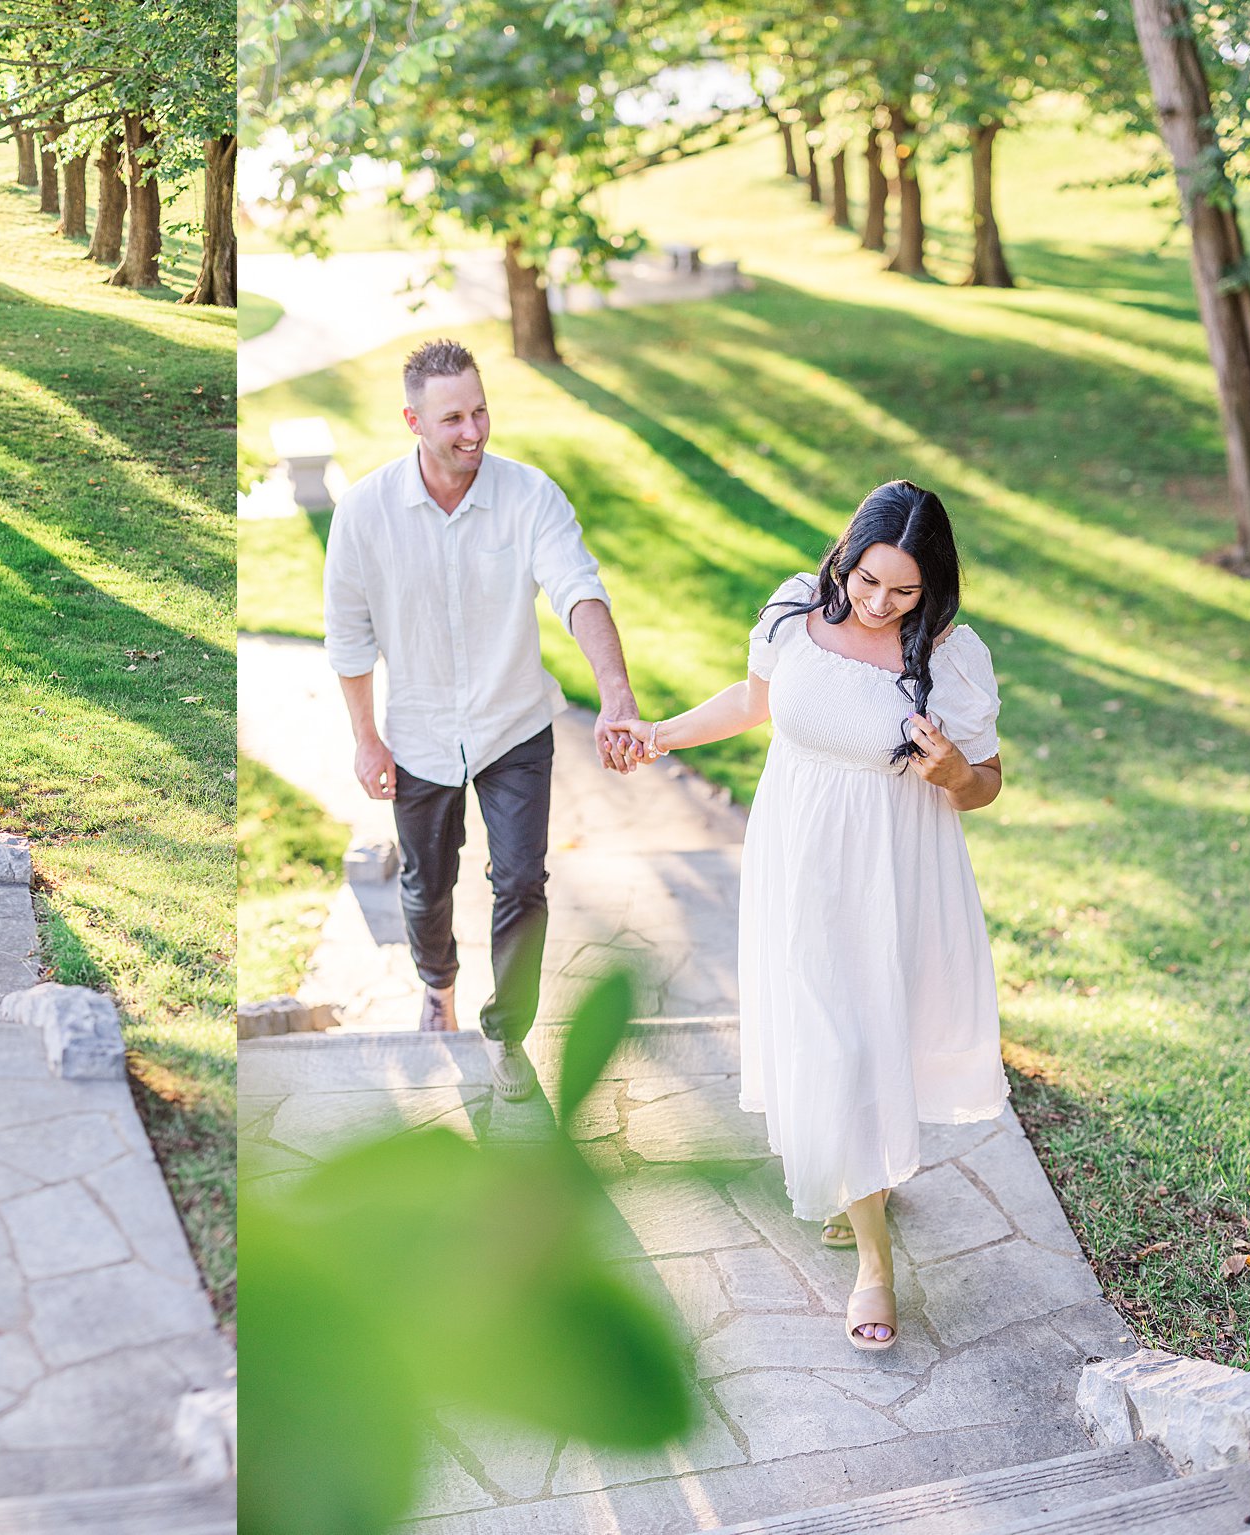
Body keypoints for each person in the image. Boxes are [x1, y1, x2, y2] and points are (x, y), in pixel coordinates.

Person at [604, 480, 1005, 1352]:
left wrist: (952, 776)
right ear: (847, 556)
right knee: (829, 1038)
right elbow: (754, 703)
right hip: (796, 857)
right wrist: (661, 732)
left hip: (889, 869)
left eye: (903, 592)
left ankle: (867, 1221)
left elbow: (986, 780)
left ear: (932, 586)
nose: (878, 603)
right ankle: (872, 1247)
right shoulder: (796, 611)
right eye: (867, 581)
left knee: (869, 1038)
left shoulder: (947, 653)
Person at [323, 338, 644, 1101]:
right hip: (420, 735)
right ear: (412, 420)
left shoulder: (530, 497)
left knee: (523, 882)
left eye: (480, 410)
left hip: (515, 726)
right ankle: (437, 983)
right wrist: (366, 738)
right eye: (453, 418)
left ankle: (507, 1033)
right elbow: (348, 636)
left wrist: (618, 695)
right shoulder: (366, 514)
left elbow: (578, 590)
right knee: (427, 888)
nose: (473, 431)